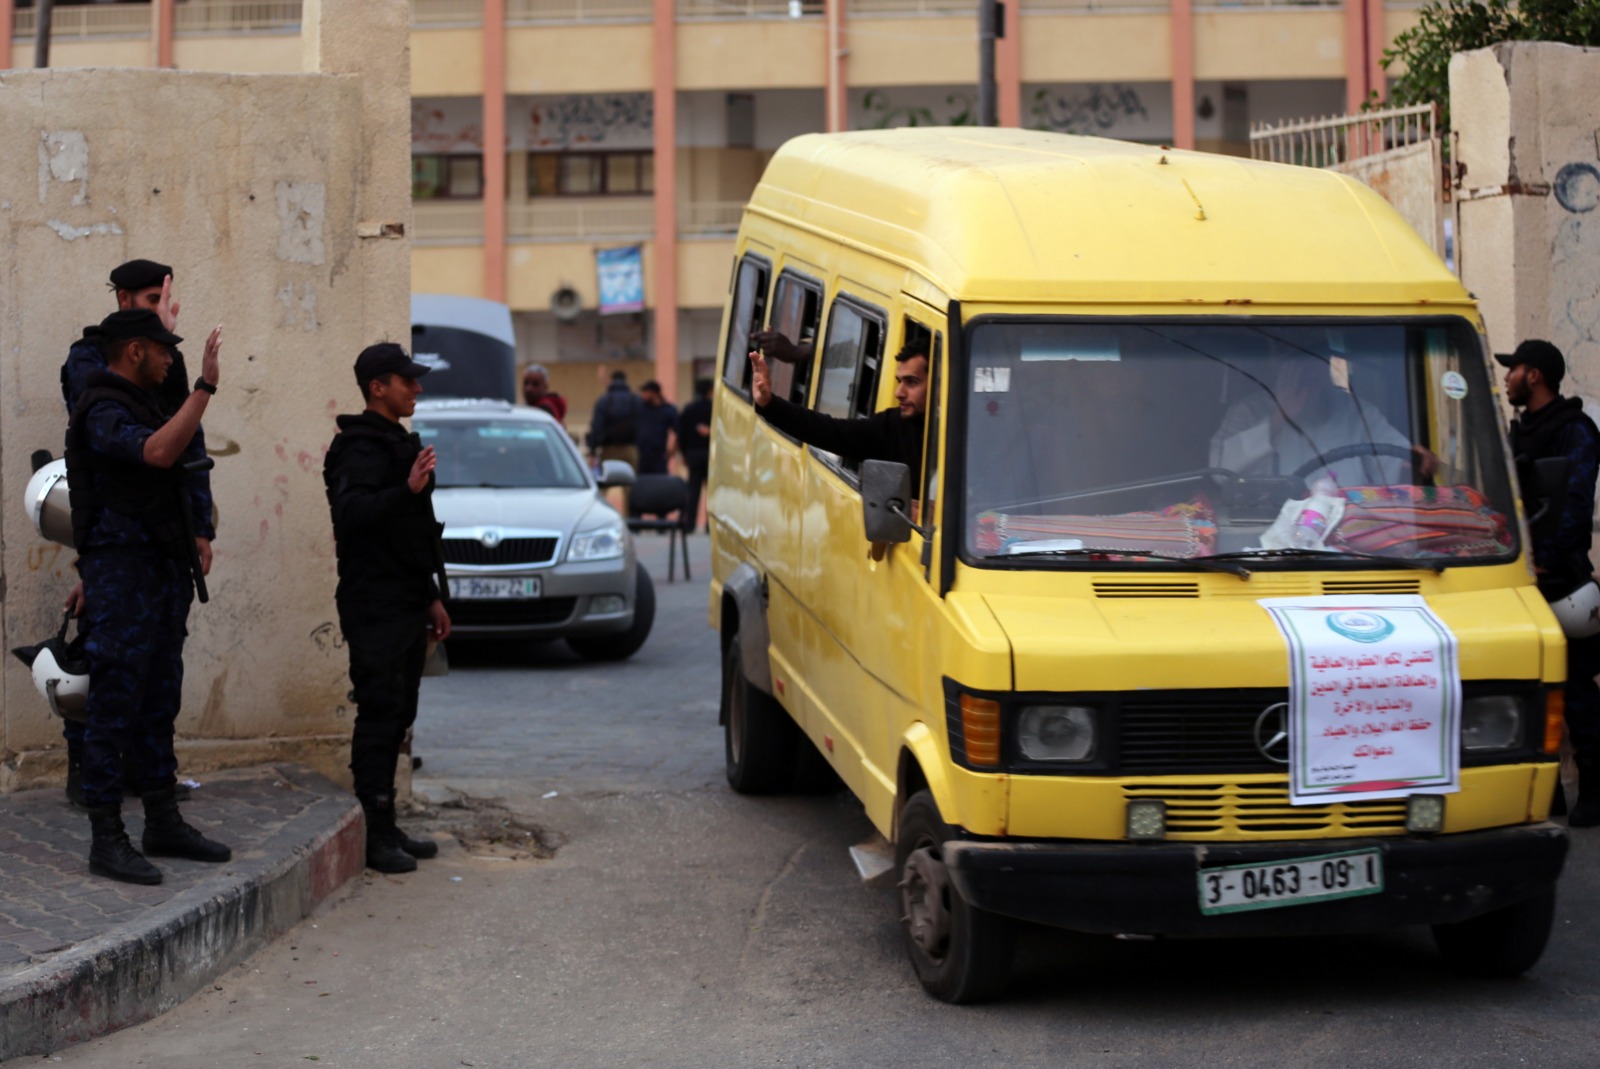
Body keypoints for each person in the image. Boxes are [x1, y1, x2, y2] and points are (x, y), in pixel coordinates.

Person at [66, 309, 229, 885]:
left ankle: (162, 819)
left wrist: (198, 533)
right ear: (135, 350)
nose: (170, 359)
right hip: (122, 573)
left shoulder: (150, 402)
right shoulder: (102, 406)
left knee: (160, 697)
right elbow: (157, 454)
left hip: (159, 569)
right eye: (163, 349)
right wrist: (204, 387)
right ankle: (106, 837)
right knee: (114, 704)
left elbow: (181, 465)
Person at [324, 343, 452, 873]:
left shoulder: (396, 442)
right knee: (378, 715)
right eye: (406, 381)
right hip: (373, 602)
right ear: (378, 387)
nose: (416, 388)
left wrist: (432, 598)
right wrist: (407, 488)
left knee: (400, 714)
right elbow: (353, 515)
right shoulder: (355, 448)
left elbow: (413, 532)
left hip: (405, 599)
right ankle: (374, 833)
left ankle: (388, 824)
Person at [1500, 339, 1600, 827]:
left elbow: (1575, 504)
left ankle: (1596, 787)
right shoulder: (1519, 433)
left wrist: (1545, 557)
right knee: (1532, 686)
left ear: (1534, 375)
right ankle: (1546, 792)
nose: (1506, 378)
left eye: (1512, 369)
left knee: (1578, 689)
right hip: (1517, 576)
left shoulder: (1574, 431)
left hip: (1559, 579)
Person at [750, 334, 928, 488]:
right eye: (900, 382)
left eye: (912, 382)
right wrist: (769, 404)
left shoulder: (954, 437)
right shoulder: (893, 427)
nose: (899, 393)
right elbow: (829, 430)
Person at [1208, 356, 1414, 488]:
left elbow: (1396, 458)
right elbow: (1220, 471)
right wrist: (1280, 417)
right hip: (1271, 537)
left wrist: (1414, 461)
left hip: (1349, 534)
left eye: (1316, 365)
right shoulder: (1247, 412)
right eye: (1301, 369)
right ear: (1281, 370)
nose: (1311, 375)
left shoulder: (1356, 411)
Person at [587, 369, 642, 471]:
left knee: (608, 481)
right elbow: (643, 425)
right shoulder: (635, 400)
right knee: (631, 483)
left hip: (609, 449)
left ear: (612, 380)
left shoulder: (604, 401)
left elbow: (596, 427)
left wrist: (592, 450)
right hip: (631, 448)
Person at [678, 378, 714, 533]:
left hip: (693, 454)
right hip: (711, 454)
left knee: (693, 491)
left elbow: (681, 433)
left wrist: (684, 453)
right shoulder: (714, 407)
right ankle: (709, 525)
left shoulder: (689, 409)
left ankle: (689, 524)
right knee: (711, 491)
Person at [636, 380, 679, 477]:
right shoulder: (641, 408)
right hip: (641, 454)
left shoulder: (668, 410)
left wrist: (672, 451)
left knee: (660, 482)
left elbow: (678, 432)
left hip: (659, 455)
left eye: (645, 392)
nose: (643, 395)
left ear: (654, 394)